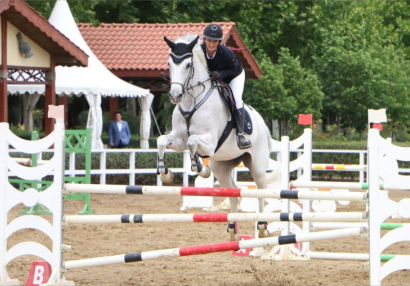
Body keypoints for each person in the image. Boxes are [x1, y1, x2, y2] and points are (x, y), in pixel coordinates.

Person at [201, 23, 252, 150]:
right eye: (209, 41)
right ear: (204, 40)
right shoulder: (199, 51)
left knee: (236, 98)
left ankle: (240, 133)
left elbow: (234, 69)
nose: (211, 44)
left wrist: (221, 74)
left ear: (219, 42)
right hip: (213, 78)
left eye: (214, 41)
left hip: (233, 76)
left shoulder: (227, 53)